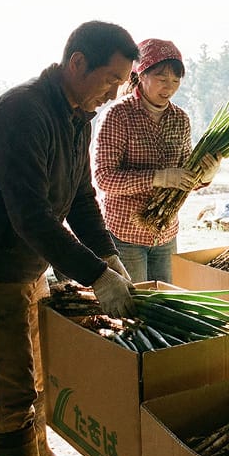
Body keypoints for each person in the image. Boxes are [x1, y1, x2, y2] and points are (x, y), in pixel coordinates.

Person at [0, 21, 140, 456]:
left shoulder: (77, 115)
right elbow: (30, 215)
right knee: (11, 391)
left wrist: (109, 255)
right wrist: (94, 275)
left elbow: (80, 199)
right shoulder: (23, 113)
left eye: (121, 83)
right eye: (110, 79)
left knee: (37, 374)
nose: (114, 94)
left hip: (28, 267)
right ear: (77, 64)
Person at [93, 38, 220, 283]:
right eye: (162, 79)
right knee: (136, 308)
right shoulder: (118, 115)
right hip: (125, 234)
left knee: (165, 304)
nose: (169, 88)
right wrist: (159, 178)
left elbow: (184, 178)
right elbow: (104, 178)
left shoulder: (180, 119)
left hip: (165, 234)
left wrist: (205, 176)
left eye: (176, 81)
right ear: (141, 75)